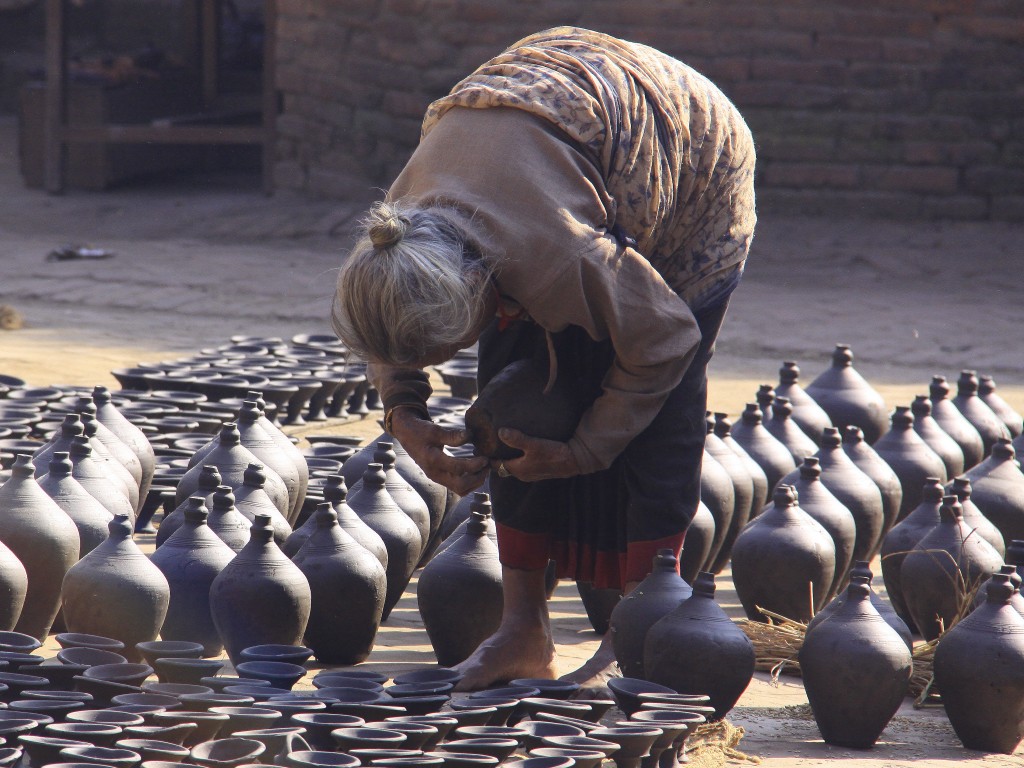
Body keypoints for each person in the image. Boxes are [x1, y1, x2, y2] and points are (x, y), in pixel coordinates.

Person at [332, 26, 756, 691]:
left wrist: (586, 449)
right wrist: (401, 411)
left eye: (456, 340)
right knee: (511, 409)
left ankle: (639, 632)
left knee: (655, 418)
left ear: (483, 292)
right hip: (553, 129)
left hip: (694, 158)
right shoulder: (395, 237)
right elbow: (388, 334)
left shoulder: (561, 257)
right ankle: (522, 631)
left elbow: (665, 340)